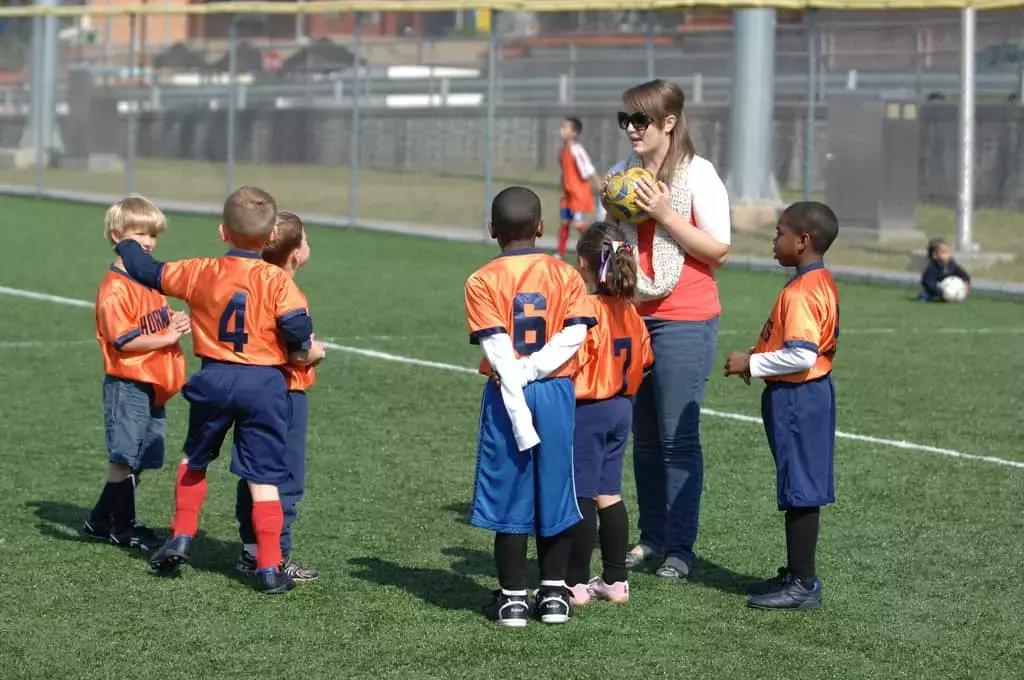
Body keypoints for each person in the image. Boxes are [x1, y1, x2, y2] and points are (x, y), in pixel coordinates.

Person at [113, 186, 325, 595]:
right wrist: (303, 350)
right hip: (264, 384)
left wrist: (127, 242)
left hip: (214, 378)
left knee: (195, 458)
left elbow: (148, 271)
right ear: (268, 239)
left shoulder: (199, 270)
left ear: (222, 232)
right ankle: (267, 567)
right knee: (264, 476)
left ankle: (182, 536)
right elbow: (297, 328)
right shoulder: (277, 281)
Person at [606, 79, 731, 580]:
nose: (632, 129)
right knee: (645, 439)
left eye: (642, 120)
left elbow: (718, 248)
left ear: (670, 123)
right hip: (632, 315)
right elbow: (615, 246)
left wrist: (663, 212)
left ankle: (680, 547)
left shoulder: (699, 175)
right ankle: (652, 537)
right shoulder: (620, 175)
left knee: (679, 439)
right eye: (626, 120)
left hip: (685, 316)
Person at [464, 186, 596, 627]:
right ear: (541, 228)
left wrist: (519, 375)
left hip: (509, 390)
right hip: (556, 390)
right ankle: (554, 595)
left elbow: (497, 347)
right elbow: (575, 333)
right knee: (555, 489)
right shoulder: (566, 275)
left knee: (510, 493)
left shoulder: (482, 279)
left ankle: (512, 600)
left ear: (492, 231)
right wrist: (538, 368)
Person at [723, 201, 840, 611]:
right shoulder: (818, 280)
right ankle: (796, 573)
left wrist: (751, 362)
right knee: (798, 484)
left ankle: (803, 585)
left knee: (801, 489)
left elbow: (801, 355)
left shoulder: (802, 291)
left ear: (803, 241)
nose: (774, 241)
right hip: (807, 394)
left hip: (799, 396)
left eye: (779, 234)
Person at [84, 196, 189, 551]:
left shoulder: (149, 282)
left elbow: (154, 321)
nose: (148, 241)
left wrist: (173, 321)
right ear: (117, 236)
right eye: (139, 233)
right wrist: (168, 336)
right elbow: (124, 341)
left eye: (152, 235)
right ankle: (124, 528)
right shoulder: (115, 288)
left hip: (153, 383)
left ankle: (100, 519)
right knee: (124, 457)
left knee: (139, 456)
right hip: (129, 381)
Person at [565, 222, 653, 606]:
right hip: (622, 407)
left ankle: (576, 582)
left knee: (581, 495)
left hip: (590, 408)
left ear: (584, 263)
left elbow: (572, 361)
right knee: (609, 493)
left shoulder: (586, 309)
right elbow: (647, 359)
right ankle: (615, 581)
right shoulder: (630, 310)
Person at [235, 211, 320, 582]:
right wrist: (316, 353)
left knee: (253, 471)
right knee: (284, 476)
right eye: (305, 239)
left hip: (248, 387)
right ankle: (277, 553)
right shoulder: (288, 292)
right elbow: (295, 352)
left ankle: (250, 549)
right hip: (284, 392)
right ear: (296, 253)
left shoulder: (249, 283)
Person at [557, 117, 599, 259]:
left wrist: (599, 185)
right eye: (562, 127)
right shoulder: (563, 151)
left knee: (578, 224)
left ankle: (596, 242)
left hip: (578, 194)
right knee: (564, 223)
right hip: (568, 194)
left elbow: (588, 169)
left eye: (565, 127)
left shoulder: (577, 150)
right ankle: (560, 253)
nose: (562, 130)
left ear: (574, 133)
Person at [918, 237, 971, 301]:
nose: (948, 255)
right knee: (926, 295)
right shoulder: (932, 268)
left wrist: (966, 282)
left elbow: (963, 274)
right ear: (935, 255)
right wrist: (940, 292)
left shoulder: (952, 264)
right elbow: (928, 282)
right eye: (944, 252)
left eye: (948, 252)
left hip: (949, 290)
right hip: (935, 291)